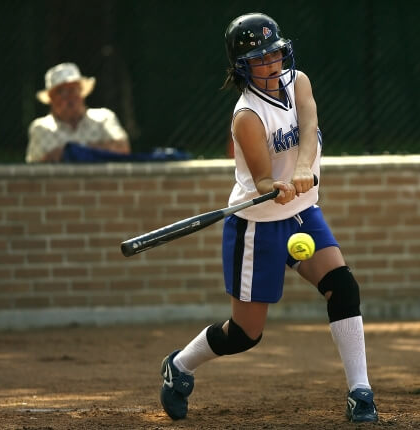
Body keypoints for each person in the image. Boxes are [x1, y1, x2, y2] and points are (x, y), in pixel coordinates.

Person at [159, 13, 378, 423]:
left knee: (343, 287)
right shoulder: (247, 116)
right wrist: (272, 186)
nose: (272, 62)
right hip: (257, 225)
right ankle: (180, 365)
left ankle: (360, 392)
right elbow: (261, 178)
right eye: (260, 58)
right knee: (245, 334)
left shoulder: (299, 82)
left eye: (275, 52)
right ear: (242, 67)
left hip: (304, 211)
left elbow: (310, 126)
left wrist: (301, 169)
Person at [26, 62, 130, 163]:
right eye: (62, 92)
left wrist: (72, 151)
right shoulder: (40, 128)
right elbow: (34, 172)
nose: (70, 97)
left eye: (74, 90)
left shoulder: (104, 118)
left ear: (82, 92)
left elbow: (123, 148)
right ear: (51, 98)